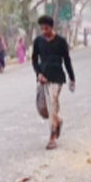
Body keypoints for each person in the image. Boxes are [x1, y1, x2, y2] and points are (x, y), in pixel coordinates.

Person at [31, 15, 75, 150]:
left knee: (52, 105)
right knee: (43, 108)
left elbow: (67, 60)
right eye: (42, 29)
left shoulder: (61, 42)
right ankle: (58, 122)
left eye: (47, 28)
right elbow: (34, 60)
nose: (44, 31)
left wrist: (72, 78)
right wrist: (38, 73)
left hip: (57, 78)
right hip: (43, 78)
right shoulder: (38, 41)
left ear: (52, 27)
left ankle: (52, 138)